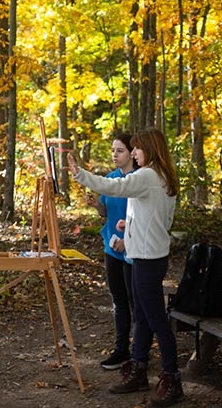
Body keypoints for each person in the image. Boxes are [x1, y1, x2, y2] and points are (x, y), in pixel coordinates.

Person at [68, 128, 184, 408]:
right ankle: (139, 369)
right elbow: (161, 220)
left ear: (151, 149)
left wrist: (80, 174)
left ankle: (172, 379)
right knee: (142, 318)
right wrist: (128, 227)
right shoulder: (164, 176)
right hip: (149, 256)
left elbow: (115, 187)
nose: (133, 153)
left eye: (137, 148)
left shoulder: (146, 175)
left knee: (156, 320)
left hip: (146, 260)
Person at [86, 133, 137, 370]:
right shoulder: (110, 178)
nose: (115, 155)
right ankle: (121, 350)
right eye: (113, 150)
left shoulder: (139, 180)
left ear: (131, 153)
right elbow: (105, 213)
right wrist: (97, 205)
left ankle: (139, 351)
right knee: (118, 301)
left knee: (135, 301)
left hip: (134, 248)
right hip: (111, 246)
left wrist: (128, 238)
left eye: (120, 151)